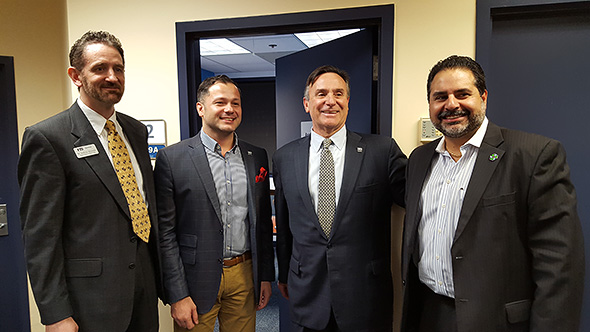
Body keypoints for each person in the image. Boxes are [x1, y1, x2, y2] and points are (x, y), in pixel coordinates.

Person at [401, 55, 585, 332]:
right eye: (440, 97)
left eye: (462, 94)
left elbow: (559, 265)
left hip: (495, 321)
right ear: (430, 103)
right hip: (428, 313)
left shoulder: (533, 155)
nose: (451, 104)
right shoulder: (419, 159)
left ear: (483, 97)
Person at [18, 31, 162, 332]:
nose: (112, 77)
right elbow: (41, 237)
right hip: (90, 301)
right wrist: (55, 313)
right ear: (76, 75)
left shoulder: (135, 131)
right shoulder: (48, 138)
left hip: (143, 289)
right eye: (100, 68)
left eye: (118, 68)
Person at [273, 65, 407, 332]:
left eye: (338, 93)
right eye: (321, 93)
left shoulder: (382, 151)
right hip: (306, 292)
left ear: (347, 101)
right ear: (306, 103)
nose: (330, 101)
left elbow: (416, 200)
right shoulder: (284, 157)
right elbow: (285, 223)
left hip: (365, 295)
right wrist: (285, 272)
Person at [154, 75, 274, 332]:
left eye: (236, 103)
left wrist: (264, 276)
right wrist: (177, 294)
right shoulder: (172, 158)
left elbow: (261, 223)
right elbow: (165, 234)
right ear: (201, 108)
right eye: (220, 102)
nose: (230, 109)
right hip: (195, 280)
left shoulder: (257, 156)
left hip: (244, 273)